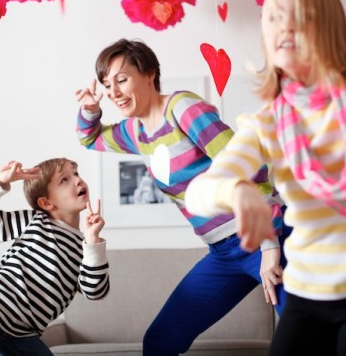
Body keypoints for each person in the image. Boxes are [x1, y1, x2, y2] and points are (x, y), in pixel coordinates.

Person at [185, 0, 346, 355]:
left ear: (328, 24)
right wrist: (236, 192)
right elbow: (200, 191)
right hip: (307, 291)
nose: (282, 26)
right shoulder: (266, 121)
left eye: (297, 15)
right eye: (272, 17)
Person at [75, 38, 291, 355]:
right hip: (223, 253)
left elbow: (247, 164)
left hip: (266, 237)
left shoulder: (183, 108)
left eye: (121, 79)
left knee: (311, 336)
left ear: (149, 73)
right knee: (161, 341)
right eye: (108, 85)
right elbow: (90, 139)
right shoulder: (136, 132)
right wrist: (90, 110)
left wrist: (270, 244)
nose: (114, 93)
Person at [0, 159, 109, 356]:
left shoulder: (85, 247)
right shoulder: (35, 221)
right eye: (65, 179)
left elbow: (95, 291)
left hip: (21, 331)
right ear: (46, 202)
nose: (78, 181)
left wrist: (93, 240)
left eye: (76, 174)